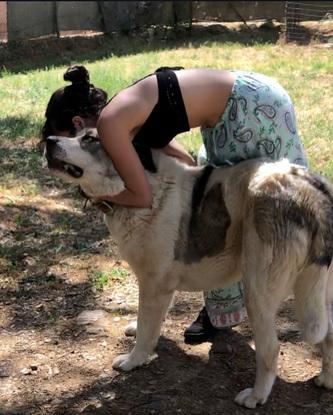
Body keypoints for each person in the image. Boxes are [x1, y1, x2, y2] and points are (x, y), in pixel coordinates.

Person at [41, 65, 308, 343]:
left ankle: (321, 294)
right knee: (221, 209)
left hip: (249, 110)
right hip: (244, 104)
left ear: (77, 124)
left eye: (67, 140)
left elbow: (140, 196)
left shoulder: (111, 124)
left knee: (290, 204)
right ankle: (222, 312)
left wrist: (99, 194)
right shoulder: (123, 120)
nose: (68, 149)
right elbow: (186, 161)